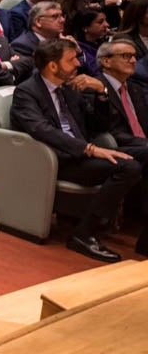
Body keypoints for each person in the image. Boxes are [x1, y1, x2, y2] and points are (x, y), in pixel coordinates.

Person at [11, 39, 148, 262]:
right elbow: (43, 131)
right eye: (72, 59)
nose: (78, 63)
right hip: (56, 159)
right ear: (53, 66)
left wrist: (101, 91)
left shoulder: (70, 88)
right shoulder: (26, 92)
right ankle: (83, 233)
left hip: (81, 153)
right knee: (128, 168)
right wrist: (91, 149)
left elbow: (99, 126)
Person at [97, 39, 148, 148]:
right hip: (122, 148)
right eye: (126, 56)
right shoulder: (96, 88)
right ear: (106, 61)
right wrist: (144, 144)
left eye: (134, 56)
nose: (134, 60)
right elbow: (110, 131)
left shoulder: (135, 88)